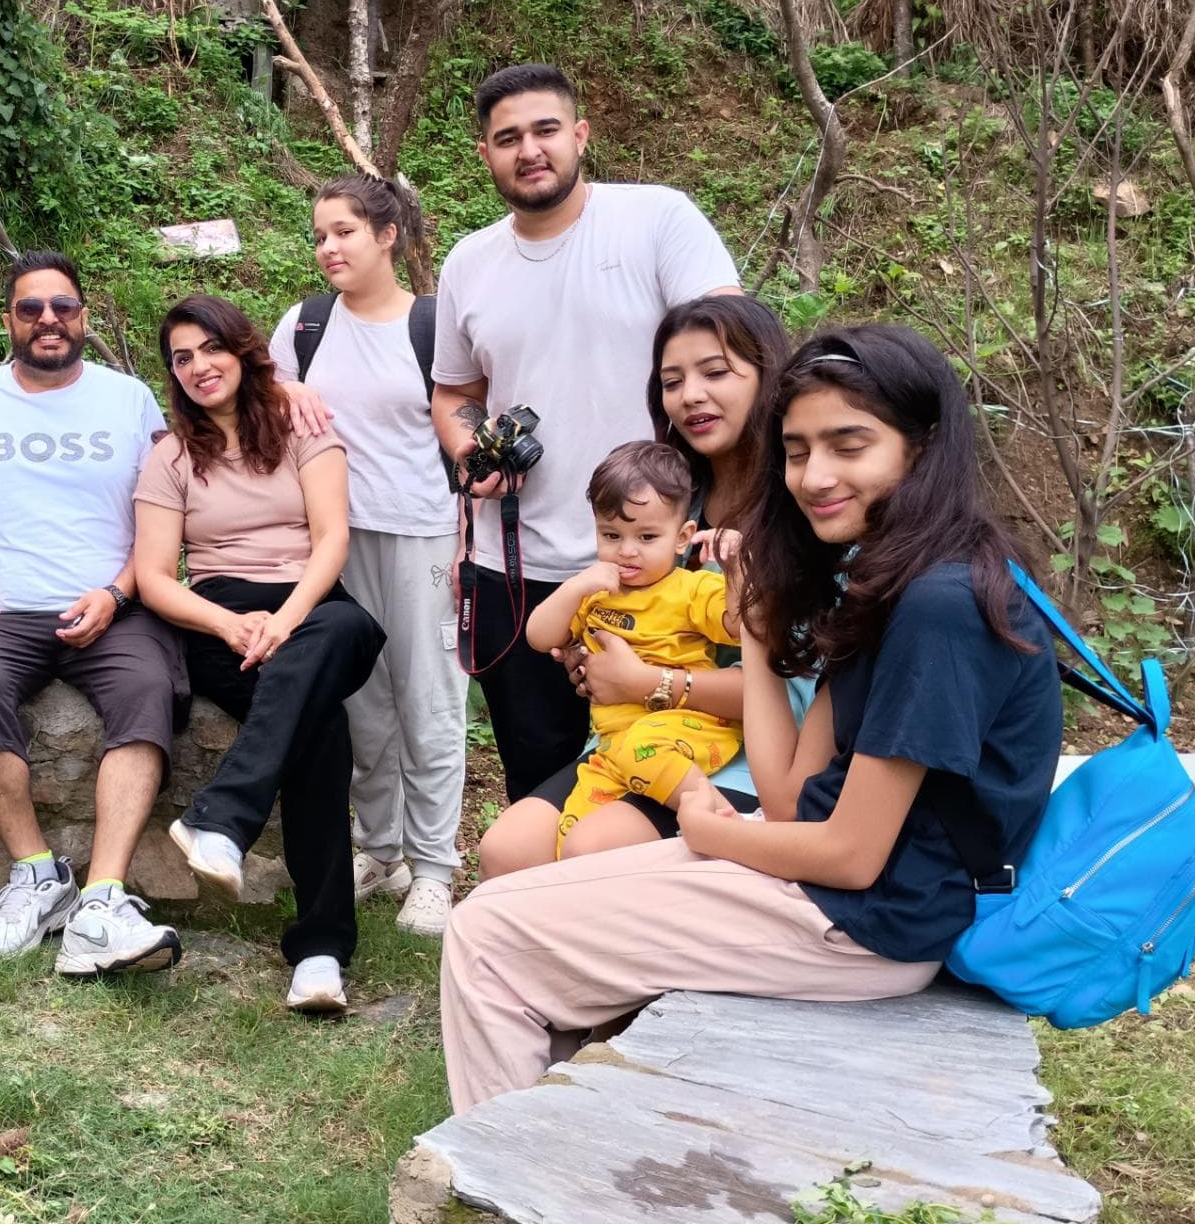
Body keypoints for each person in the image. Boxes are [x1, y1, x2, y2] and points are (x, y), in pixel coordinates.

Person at [440, 324, 1064, 1112]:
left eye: (849, 444)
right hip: (828, 891)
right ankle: (572, 1146)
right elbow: (789, 795)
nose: (814, 476)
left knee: (488, 938)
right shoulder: (886, 577)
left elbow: (852, 854)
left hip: (869, 923)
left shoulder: (943, 606)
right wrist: (761, 632)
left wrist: (709, 832)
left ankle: (508, 1178)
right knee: (508, 905)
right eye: (797, 451)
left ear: (923, 445)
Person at [430, 63, 741, 803]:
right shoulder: (469, 262)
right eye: (507, 138)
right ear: (485, 154)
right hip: (518, 567)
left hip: (662, 559)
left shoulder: (657, 219)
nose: (528, 150)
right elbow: (453, 391)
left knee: (669, 772)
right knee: (537, 781)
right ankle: (540, 908)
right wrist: (470, 446)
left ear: (580, 134)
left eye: (544, 131)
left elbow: (734, 350)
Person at [0, 251, 190, 975]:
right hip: (1, 608)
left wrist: (116, 591)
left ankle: (103, 898)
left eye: (63, 307)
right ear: (9, 321)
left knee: (147, 689)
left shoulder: (130, 398)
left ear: (82, 315)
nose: (48, 320)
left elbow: (161, 512)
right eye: (30, 309)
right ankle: (37, 875)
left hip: (113, 601)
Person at [478, 295, 791, 874]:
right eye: (673, 380)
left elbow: (790, 686)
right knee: (506, 850)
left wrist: (649, 681)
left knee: (588, 854)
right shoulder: (667, 495)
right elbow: (583, 627)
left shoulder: (800, 512)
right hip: (627, 740)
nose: (691, 393)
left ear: (768, 375)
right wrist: (588, 658)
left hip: (739, 751)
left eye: (715, 372)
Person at [133, 295, 385, 1014]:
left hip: (309, 606)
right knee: (321, 730)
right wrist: (229, 624)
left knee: (345, 629)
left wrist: (286, 619)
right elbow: (154, 578)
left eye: (210, 349)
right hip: (220, 621)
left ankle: (222, 818)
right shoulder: (172, 456)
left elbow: (332, 538)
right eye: (181, 358)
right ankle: (321, 954)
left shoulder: (303, 429)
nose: (198, 367)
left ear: (242, 350)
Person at [266, 175, 464, 936]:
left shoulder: (434, 326)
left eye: (344, 232)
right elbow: (263, 395)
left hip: (423, 534)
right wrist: (284, 396)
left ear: (388, 235)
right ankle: (382, 850)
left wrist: (468, 542)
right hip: (334, 539)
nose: (328, 248)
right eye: (319, 235)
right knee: (363, 705)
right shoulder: (307, 325)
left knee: (430, 700)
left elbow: (469, 430)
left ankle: (436, 867)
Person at [523, 441, 741, 846]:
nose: (626, 551)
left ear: (682, 537)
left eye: (646, 536)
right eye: (611, 534)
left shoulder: (692, 588)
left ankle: (715, 816)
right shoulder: (597, 588)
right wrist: (574, 587)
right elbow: (539, 637)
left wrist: (737, 573)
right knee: (571, 835)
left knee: (643, 745)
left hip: (692, 725)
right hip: (616, 743)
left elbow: (738, 626)